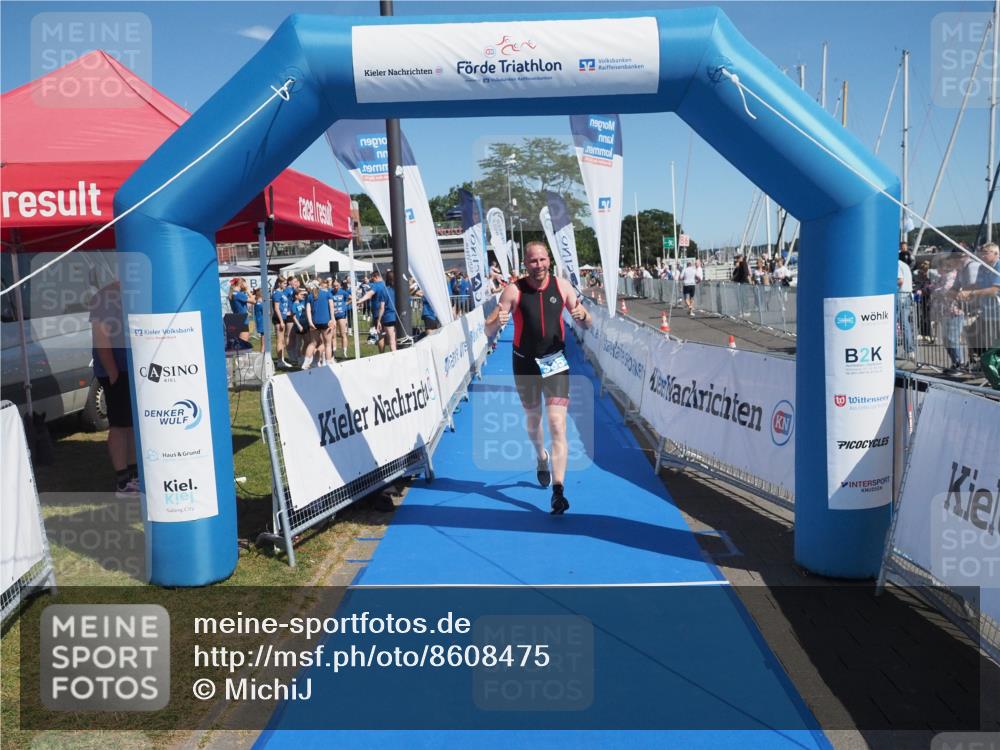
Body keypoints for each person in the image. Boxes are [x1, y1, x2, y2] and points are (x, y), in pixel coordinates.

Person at [484, 241, 592, 515]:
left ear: (549, 261)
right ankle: (541, 456)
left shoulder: (562, 286)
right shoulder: (514, 290)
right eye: (533, 261)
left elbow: (586, 322)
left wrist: (582, 316)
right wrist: (497, 321)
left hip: (555, 362)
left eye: (543, 260)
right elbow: (488, 329)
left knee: (557, 423)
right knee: (534, 421)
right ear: (526, 263)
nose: (539, 265)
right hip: (525, 364)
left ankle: (558, 491)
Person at [89, 280, 138, 497]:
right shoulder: (105, 297)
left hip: (133, 370)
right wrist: (113, 373)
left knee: (131, 425)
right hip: (118, 371)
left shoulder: (134, 292)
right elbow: (101, 338)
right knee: (120, 425)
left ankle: (134, 476)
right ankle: (123, 481)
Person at [957, 242, 1000, 365]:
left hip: (997, 311)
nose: (982, 255)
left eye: (986, 253)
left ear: (996, 254)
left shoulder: (998, 266)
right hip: (987, 312)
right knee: (973, 335)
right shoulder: (982, 267)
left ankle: (990, 365)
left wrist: (972, 293)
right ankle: (985, 364)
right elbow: (978, 285)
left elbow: (995, 289)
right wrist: (963, 291)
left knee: (992, 341)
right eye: (981, 252)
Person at [357, 270, 398, 352]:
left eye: (372, 278)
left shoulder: (376, 286)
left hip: (380, 315)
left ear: (376, 277)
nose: (371, 279)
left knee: (381, 336)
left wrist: (359, 301)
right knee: (393, 337)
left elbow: (369, 294)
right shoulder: (387, 286)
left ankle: (382, 353)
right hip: (393, 315)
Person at [897, 249, 915, 359]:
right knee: (905, 323)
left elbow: (900, 281)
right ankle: (910, 350)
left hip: (900, 297)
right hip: (908, 295)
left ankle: (906, 350)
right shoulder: (906, 266)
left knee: (901, 323)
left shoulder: (897, 264)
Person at [228, 278, 251, 343]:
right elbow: (254, 301)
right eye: (245, 283)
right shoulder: (239, 294)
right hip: (243, 321)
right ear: (241, 284)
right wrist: (247, 290)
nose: (246, 284)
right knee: (243, 344)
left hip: (237, 320)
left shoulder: (233, 293)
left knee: (238, 344)